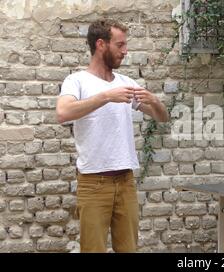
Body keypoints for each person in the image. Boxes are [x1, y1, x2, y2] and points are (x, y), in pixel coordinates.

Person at [56, 19, 169, 252]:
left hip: (126, 181)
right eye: (120, 45)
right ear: (100, 44)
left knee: (129, 249)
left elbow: (162, 117)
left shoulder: (126, 83)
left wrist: (155, 101)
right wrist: (106, 96)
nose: (125, 51)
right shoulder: (77, 81)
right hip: (93, 182)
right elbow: (63, 112)